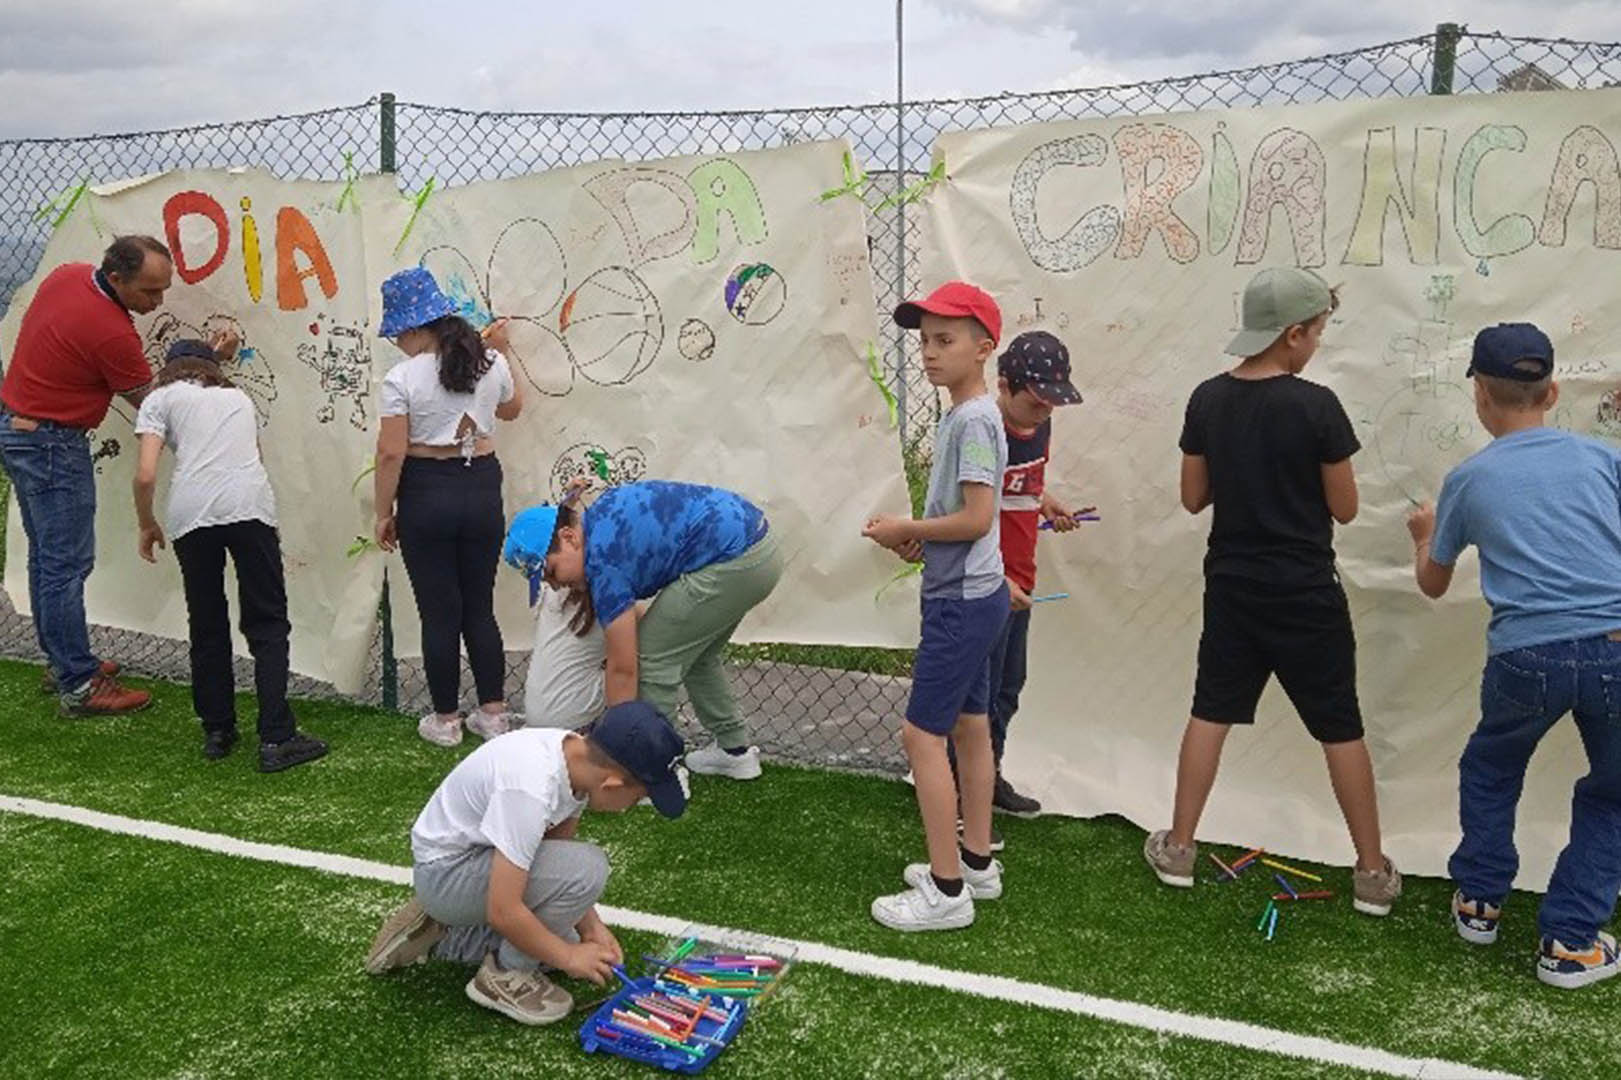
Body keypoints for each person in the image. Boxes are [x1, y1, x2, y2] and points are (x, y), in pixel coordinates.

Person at [1142, 266, 1402, 917]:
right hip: (1306, 591)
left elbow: (1192, 496)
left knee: (1210, 712)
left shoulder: (1205, 399)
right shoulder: (1317, 407)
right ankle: (1370, 872)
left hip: (1231, 587)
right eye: (1316, 332)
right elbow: (1344, 510)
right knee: (1338, 725)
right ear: (1292, 335)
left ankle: (1178, 848)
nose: (1316, 344)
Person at [1408, 322, 1621, 990]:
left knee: (1492, 768)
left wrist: (1421, 533)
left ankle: (1478, 902)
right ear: (1552, 390)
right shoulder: (1601, 461)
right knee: (1613, 795)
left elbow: (1433, 582)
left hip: (1522, 658)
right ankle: (1569, 942)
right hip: (1615, 648)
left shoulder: (1466, 481)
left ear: (1478, 395)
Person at [364, 700, 688, 1024]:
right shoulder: (531, 787)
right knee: (588, 872)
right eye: (639, 797)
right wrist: (571, 957)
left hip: (475, 859)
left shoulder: (575, 760)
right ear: (612, 784)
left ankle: (450, 935)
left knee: (557, 934)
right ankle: (504, 977)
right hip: (448, 872)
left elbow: (553, 856)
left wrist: (591, 927)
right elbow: (503, 910)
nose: (632, 806)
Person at [862, 281, 1009, 932]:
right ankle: (975, 863)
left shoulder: (974, 418)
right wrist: (920, 540)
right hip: (976, 593)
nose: (927, 352)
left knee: (920, 735)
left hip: (961, 604)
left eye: (943, 340)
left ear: (984, 348)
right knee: (969, 726)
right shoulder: (965, 414)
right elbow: (967, 518)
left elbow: (976, 519)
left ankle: (947, 890)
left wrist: (909, 529)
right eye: (923, 340)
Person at [132, 339, 327, 772]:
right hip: (249, 507)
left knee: (207, 622)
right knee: (268, 621)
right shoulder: (237, 398)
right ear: (210, 368)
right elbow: (251, 456)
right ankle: (277, 736)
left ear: (169, 368)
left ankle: (218, 730)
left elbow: (146, 474)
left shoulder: (159, 399)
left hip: (191, 513)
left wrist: (146, 523)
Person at [0, 235, 175, 715]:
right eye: (149, 292)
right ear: (116, 279)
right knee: (66, 565)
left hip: (18, 428)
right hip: (53, 443)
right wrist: (209, 365)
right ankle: (79, 684)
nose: (157, 302)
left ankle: (64, 663)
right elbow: (154, 403)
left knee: (47, 559)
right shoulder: (111, 332)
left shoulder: (68, 275)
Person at [505, 479, 781, 779]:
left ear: (570, 537)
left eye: (551, 572)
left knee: (652, 659)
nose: (556, 585)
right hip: (760, 548)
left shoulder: (604, 566)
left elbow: (623, 668)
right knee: (699, 655)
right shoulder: (596, 522)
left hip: (733, 557)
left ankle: (660, 772)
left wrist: (616, 750)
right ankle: (734, 753)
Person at [372, 267, 524, 747]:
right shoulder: (489, 361)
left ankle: (445, 720)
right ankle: (494, 713)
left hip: (426, 490)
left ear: (417, 328)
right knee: (479, 606)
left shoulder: (402, 377)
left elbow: (391, 452)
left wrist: (383, 512)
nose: (397, 342)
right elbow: (511, 410)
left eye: (398, 333)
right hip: (481, 485)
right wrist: (503, 349)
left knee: (439, 611)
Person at [951, 330, 1086, 822]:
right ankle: (962, 787)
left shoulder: (1037, 427)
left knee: (1009, 685)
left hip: (1020, 583)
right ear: (1004, 385)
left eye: (1052, 407)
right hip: (988, 583)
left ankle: (989, 775)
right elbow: (966, 511)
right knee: (976, 693)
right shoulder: (985, 432)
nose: (1044, 415)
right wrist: (996, 580)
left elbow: (1024, 485)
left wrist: (1047, 502)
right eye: (1035, 404)